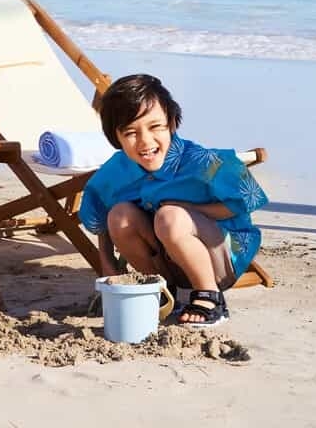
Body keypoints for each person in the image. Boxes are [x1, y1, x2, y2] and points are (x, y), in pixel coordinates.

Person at [78, 74, 268, 329]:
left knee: (170, 216)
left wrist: (187, 209)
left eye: (155, 127)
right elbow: (100, 217)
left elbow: (241, 203)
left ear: (171, 123)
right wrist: (108, 268)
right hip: (167, 260)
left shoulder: (201, 162)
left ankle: (210, 296)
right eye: (131, 133)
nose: (145, 141)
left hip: (219, 255)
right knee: (119, 215)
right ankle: (160, 290)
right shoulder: (117, 171)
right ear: (117, 138)